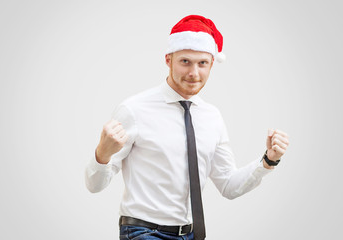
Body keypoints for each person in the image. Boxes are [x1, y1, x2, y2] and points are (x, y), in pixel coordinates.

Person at [85, 15, 289, 240]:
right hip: (143, 232)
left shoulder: (212, 117)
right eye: (185, 62)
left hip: (192, 233)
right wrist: (102, 153)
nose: (194, 73)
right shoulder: (134, 110)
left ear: (212, 64)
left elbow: (229, 186)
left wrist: (268, 161)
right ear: (168, 60)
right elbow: (94, 186)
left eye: (202, 63)